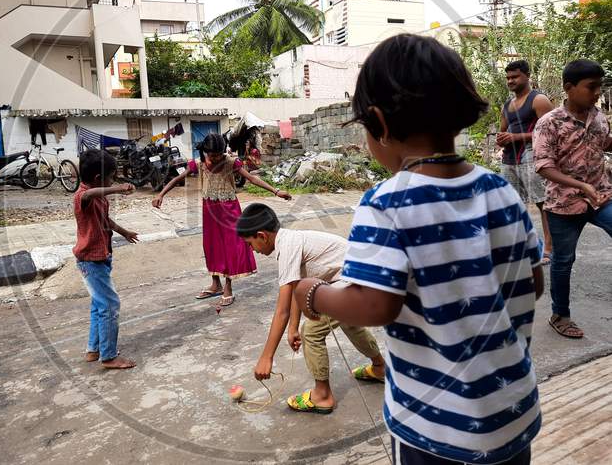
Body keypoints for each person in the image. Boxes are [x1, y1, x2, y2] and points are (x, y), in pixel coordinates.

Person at [294, 34, 544, 464]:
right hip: (512, 413)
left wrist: (312, 294)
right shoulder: (500, 190)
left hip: (435, 425)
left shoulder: (386, 202)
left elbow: (374, 306)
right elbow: (534, 283)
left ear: (379, 123)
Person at [236, 203, 385, 414]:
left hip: (357, 281)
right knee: (349, 324)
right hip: (362, 278)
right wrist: (292, 328)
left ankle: (322, 395)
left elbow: (282, 309)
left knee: (312, 331)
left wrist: (266, 357)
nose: (252, 250)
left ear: (262, 235)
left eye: (250, 244)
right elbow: (299, 288)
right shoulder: (290, 240)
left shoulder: (286, 246)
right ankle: (379, 367)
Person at [152, 133, 291, 306]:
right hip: (209, 210)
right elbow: (178, 178)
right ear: (205, 152)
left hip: (229, 209)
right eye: (213, 155)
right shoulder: (199, 164)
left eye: (219, 154)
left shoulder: (231, 162)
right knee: (212, 245)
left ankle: (228, 286)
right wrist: (161, 194)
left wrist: (276, 191)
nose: (217, 158)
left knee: (230, 247)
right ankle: (215, 283)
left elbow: (252, 178)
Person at [533, 59, 612, 339]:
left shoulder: (599, 117)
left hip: (601, 196)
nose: (597, 93)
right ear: (569, 88)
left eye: (599, 87)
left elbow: (605, 143)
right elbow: (543, 165)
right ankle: (560, 315)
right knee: (563, 261)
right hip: (564, 204)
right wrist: (580, 185)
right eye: (591, 87)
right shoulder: (549, 123)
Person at [73, 149, 139, 369]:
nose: (114, 180)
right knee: (110, 304)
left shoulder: (99, 198)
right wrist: (117, 189)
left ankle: (94, 349)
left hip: (101, 257)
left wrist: (125, 232)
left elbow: (105, 220)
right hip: (90, 260)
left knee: (98, 304)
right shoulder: (82, 196)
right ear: (99, 180)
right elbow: (87, 196)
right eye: (112, 176)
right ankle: (109, 356)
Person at [496, 60, 554, 263]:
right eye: (508, 78)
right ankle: (525, 247)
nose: (510, 81)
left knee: (542, 204)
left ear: (527, 76)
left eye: (515, 77)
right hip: (509, 159)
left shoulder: (538, 100)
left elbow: (550, 134)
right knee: (512, 204)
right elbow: (502, 130)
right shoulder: (507, 104)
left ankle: (548, 248)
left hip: (532, 157)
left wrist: (516, 137)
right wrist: (500, 138)